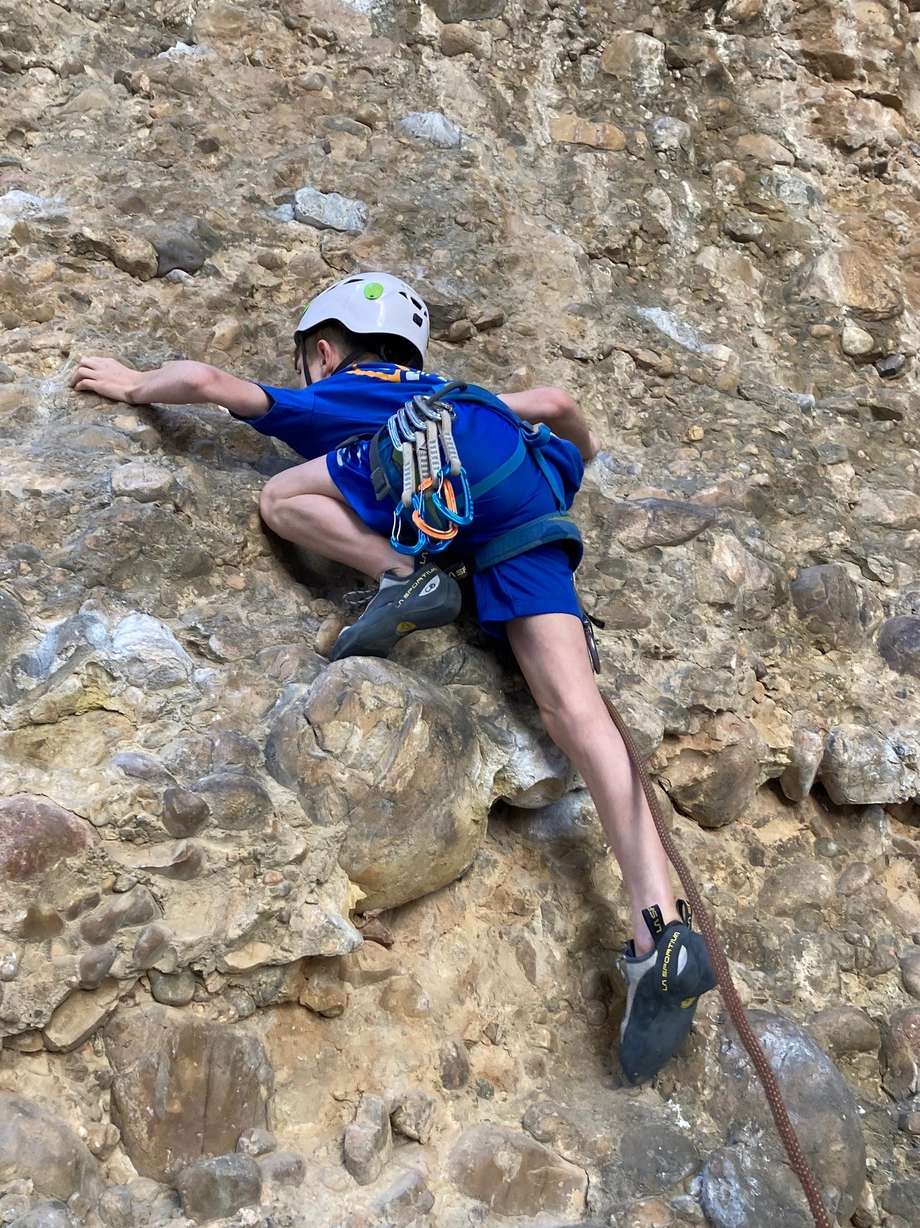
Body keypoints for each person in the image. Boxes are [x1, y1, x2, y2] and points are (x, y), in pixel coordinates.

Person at [70, 271, 716, 1082]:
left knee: (279, 495)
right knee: (577, 714)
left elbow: (205, 384)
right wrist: (586, 458)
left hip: (449, 491)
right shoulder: (462, 389)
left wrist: (133, 384)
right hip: (525, 511)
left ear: (327, 347)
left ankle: (404, 575)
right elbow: (554, 402)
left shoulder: (349, 387)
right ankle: (661, 927)